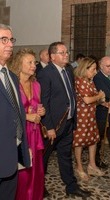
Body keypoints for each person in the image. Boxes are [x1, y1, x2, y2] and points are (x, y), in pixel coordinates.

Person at [37, 42, 91, 198]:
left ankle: (71, 186)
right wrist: (49, 126)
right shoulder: (45, 74)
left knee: (65, 155)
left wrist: (73, 118)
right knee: (44, 159)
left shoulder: (68, 70)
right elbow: (44, 101)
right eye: (62, 52)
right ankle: (39, 187)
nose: (66, 54)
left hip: (68, 123)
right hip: (53, 125)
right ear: (53, 56)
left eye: (66, 52)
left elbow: (70, 96)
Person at [0, 24, 30, 200]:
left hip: (12, 154)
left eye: (11, 40)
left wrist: (23, 146)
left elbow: (16, 113)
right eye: (4, 40)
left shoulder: (11, 76)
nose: (10, 44)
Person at [10, 48, 45, 200]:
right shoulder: (12, 84)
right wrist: (27, 116)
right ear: (19, 64)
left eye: (34, 62)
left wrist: (41, 111)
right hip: (18, 135)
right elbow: (6, 112)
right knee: (22, 174)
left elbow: (37, 106)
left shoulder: (37, 85)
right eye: (29, 62)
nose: (33, 65)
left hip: (35, 134)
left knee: (36, 172)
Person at [73, 57, 105, 182]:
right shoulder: (79, 81)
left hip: (91, 115)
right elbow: (87, 100)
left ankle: (92, 165)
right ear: (84, 69)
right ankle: (79, 167)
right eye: (93, 69)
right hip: (81, 117)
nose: (95, 72)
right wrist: (100, 96)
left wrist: (102, 102)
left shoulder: (89, 81)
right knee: (79, 142)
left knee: (93, 139)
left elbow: (93, 100)